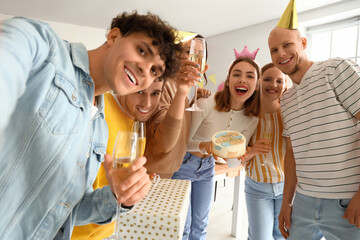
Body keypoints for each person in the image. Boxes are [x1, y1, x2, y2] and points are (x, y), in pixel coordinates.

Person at [0, 12, 184, 239]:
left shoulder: (99, 129)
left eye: (155, 70)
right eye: (142, 50)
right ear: (114, 37)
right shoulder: (45, 48)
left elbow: (67, 209)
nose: (145, 70)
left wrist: (118, 196)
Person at [268, 0, 360, 239]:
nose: (281, 54)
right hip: (304, 201)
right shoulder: (285, 100)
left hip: (346, 200)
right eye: (274, 50)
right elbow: (292, 153)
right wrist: (286, 202)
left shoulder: (335, 69)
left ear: (303, 43)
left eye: (287, 45)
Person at [172, 49, 261, 240]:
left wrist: (248, 153)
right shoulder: (206, 104)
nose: (242, 80)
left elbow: (232, 163)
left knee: (201, 227)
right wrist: (205, 146)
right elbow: (183, 143)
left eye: (250, 76)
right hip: (183, 165)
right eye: (236, 74)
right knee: (183, 228)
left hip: (207, 168)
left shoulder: (252, 119)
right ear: (228, 81)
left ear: (257, 84)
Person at [71, 79, 164, 240]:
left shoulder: (138, 123)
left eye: (155, 93)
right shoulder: (100, 108)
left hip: (108, 231)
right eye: (140, 91)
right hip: (75, 234)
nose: (147, 103)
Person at [144, 34, 210, 178]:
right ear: (174, 54)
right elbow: (165, 142)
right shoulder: (162, 84)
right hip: (153, 175)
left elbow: (179, 123)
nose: (195, 57)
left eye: (200, 53)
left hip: (171, 171)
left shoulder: (180, 88)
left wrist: (193, 101)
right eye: (189, 52)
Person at [243, 63, 287, 240]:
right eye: (268, 79)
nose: (273, 85)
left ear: (285, 85)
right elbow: (233, 158)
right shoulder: (247, 113)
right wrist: (252, 151)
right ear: (259, 82)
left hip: (286, 186)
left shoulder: (289, 113)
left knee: (281, 235)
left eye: (279, 81)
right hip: (257, 187)